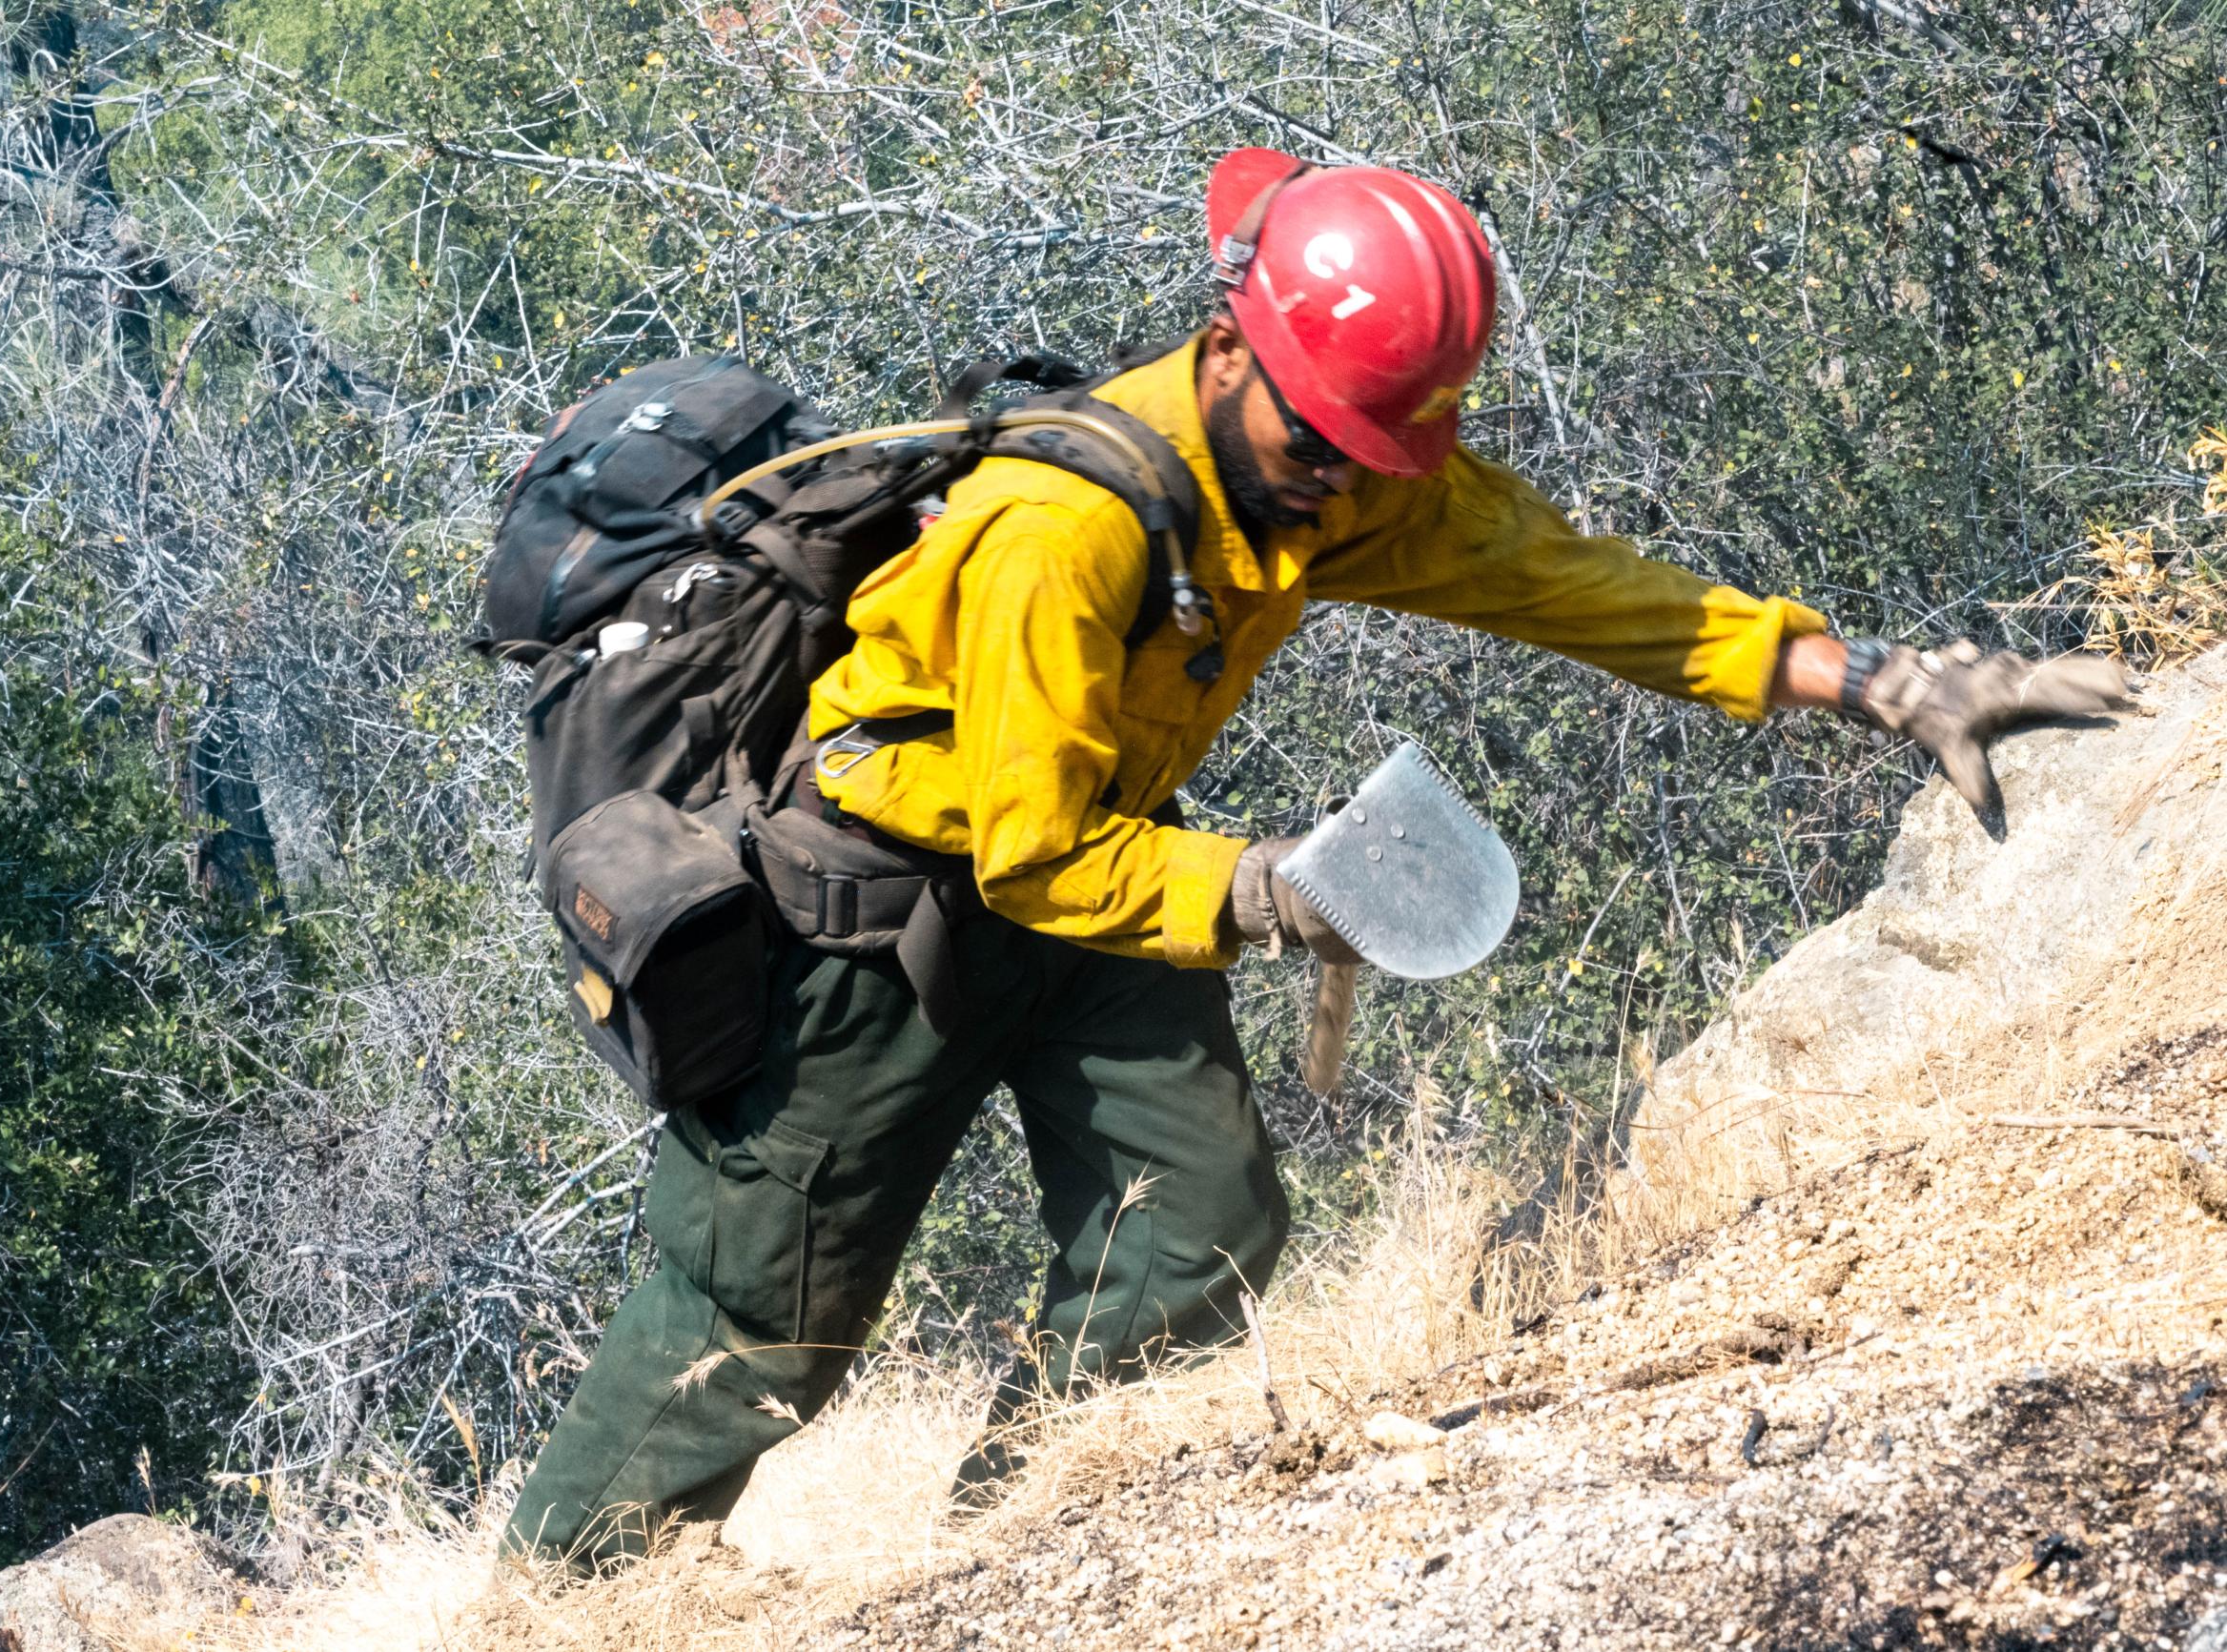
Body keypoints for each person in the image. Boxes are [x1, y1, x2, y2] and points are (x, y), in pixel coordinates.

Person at [499, 148, 2127, 1569]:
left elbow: (1569, 581)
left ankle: (1009, 1562)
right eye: (1324, 439)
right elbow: (1029, 854)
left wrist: (1877, 681)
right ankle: (554, 1610)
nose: (1344, 482)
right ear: (1228, 350)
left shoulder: (1334, 479)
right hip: (869, 937)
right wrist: (1268, 889)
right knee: (757, 1328)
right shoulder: (1059, 537)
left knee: (1196, 1233)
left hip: (1096, 886)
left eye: (1377, 453)